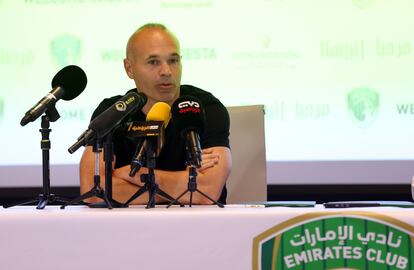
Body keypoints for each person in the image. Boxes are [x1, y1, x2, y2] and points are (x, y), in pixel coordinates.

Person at [79, 23, 232, 205]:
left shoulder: (203, 107)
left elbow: (206, 191)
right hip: (129, 227)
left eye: (173, 61)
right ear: (129, 68)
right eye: (153, 62)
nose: (166, 71)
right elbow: (92, 190)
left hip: (197, 225)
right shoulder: (113, 111)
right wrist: (183, 185)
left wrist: (135, 174)